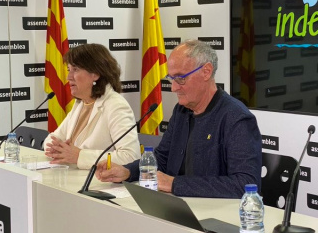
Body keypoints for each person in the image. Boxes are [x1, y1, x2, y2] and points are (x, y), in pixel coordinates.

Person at [95, 39, 262, 198]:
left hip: (217, 215)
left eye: (181, 78)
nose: (174, 88)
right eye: (171, 79)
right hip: (177, 206)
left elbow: (245, 183)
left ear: (206, 71)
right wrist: (128, 171)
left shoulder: (237, 118)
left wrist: (175, 184)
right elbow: (162, 159)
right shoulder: (181, 111)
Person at [44, 44, 141, 169]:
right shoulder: (80, 103)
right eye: (69, 70)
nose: (68, 77)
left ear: (95, 74)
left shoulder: (116, 105)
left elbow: (131, 156)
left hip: (101, 183)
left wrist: (80, 156)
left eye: (75, 70)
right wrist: (56, 149)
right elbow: (53, 139)